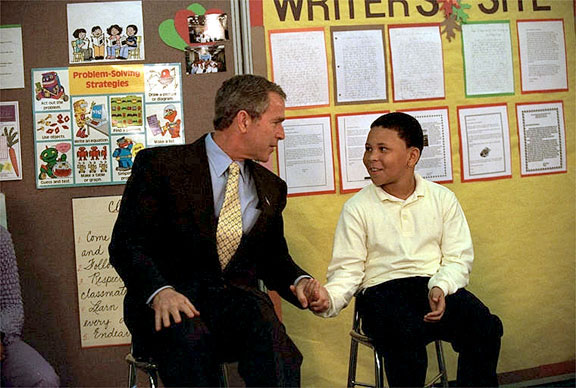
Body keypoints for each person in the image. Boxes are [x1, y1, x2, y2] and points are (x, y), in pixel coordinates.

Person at [109, 74, 328, 387]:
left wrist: (300, 281)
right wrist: (160, 291)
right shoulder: (161, 166)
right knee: (193, 346)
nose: (281, 134)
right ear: (243, 120)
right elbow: (126, 245)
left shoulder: (270, 188)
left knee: (277, 345)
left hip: (232, 310)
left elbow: (273, 259)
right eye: (276, 122)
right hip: (168, 305)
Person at [312, 112, 503, 387]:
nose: (371, 158)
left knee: (485, 328)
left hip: (432, 286)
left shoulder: (442, 199)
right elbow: (348, 271)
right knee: (405, 339)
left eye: (382, 149)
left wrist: (440, 286)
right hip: (381, 293)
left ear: (412, 157)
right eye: (368, 148)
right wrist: (328, 299)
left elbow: (458, 259)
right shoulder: (357, 208)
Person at [0, 225, 60, 387]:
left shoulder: (1, 238)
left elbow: (12, 306)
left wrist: (1, 334)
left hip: (3, 339)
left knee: (44, 380)